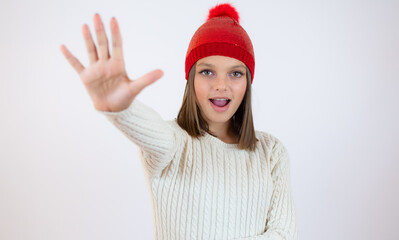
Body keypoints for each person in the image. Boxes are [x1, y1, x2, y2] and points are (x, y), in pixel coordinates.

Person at [60, 3, 298, 240]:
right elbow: (150, 130)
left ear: (248, 81)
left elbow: (284, 234)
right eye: (207, 71)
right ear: (191, 78)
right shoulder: (173, 143)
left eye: (235, 73)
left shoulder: (272, 153)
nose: (221, 85)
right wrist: (122, 109)